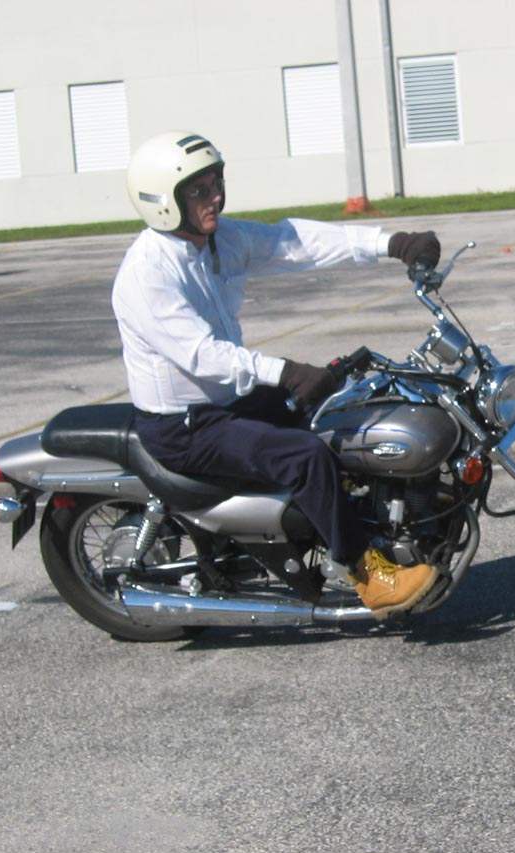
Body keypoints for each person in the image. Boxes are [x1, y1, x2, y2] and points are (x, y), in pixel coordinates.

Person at [114, 130, 440, 619]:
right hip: (185, 426)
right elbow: (203, 355)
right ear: (163, 201)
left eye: (216, 182)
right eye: (199, 190)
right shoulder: (148, 274)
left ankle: (364, 523)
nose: (215, 196)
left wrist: (393, 243)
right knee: (304, 456)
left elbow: (294, 242)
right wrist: (285, 372)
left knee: (341, 412)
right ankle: (367, 573)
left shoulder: (216, 241)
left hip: (227, 401)